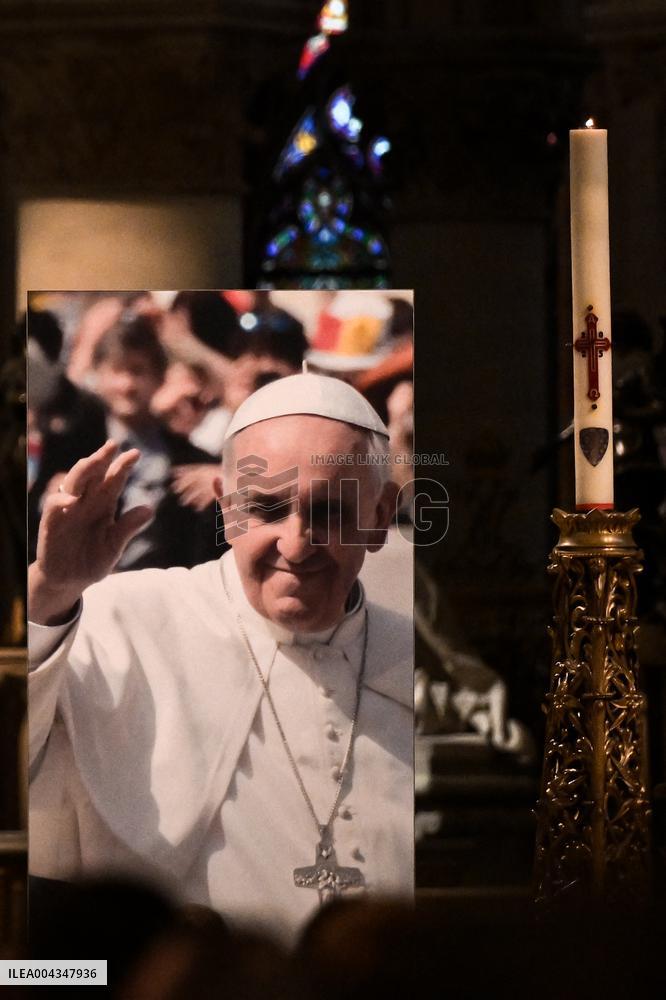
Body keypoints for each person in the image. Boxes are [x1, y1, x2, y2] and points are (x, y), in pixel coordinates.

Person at [28, 373, 413, 944]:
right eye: (267, 509)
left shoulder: (409, 653)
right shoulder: (120, 620)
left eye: (329, 511)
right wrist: (49, 593)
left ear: (380, 516)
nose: (296, 544)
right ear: (227, 509)